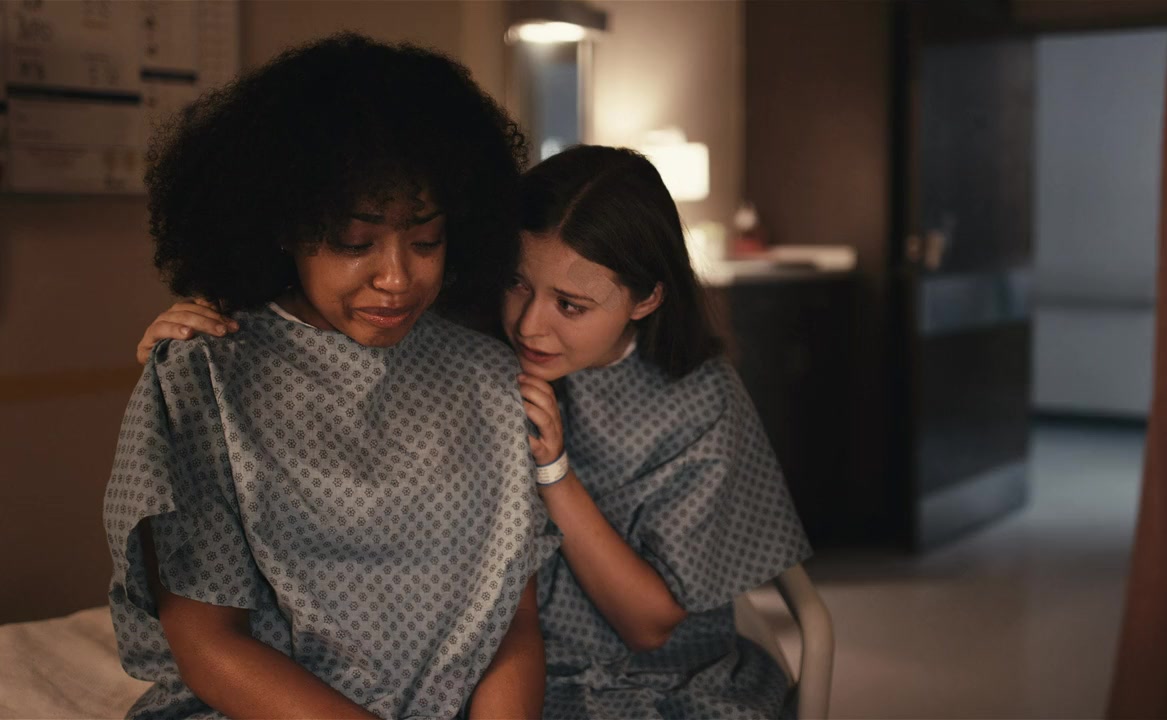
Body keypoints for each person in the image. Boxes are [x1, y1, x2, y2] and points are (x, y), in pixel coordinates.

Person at [137, 146, 812, 718]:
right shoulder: (469, 339)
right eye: (517, 284)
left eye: (572, 305)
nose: (531, 326)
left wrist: (554, 475)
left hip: (650, 680)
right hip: (477, 672)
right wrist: (198, 337)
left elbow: (652, 626)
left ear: (648, 297)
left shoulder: (698, 397)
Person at [104, 33, 557, 719]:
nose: (397, 277)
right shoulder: (206, 379)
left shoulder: (488, 377)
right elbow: (209, 646)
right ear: (285, 226)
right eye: (355, 242)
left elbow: (512, 622)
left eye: (426, 240)